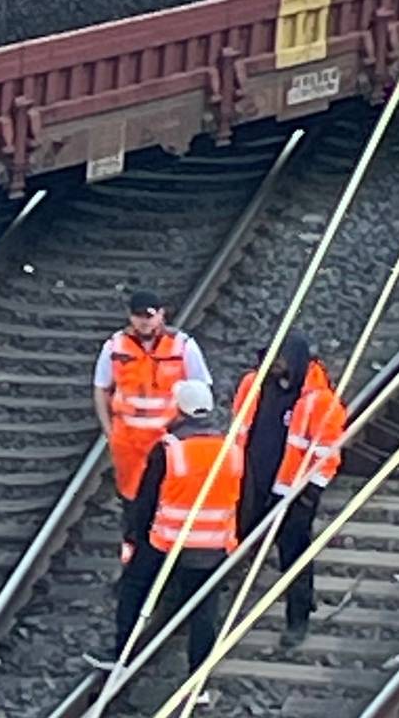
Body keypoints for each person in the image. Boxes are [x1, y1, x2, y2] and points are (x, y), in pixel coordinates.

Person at [85, 378, 242, 698]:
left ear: (180, 410)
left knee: (134, 587)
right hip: (213, 543)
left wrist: (135, 537)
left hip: (167, 542)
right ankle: (198, 681)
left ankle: (122, 655)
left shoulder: (170, 449)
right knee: (204, 610)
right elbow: (242, 496)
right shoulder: (231, 449)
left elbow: (146, 501)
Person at [231, 332, 346, 649]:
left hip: (294, 494)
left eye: (280, 359)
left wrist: (310, 493)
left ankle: (298, 617)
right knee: (236, 543)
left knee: (294, 556)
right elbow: (240, 429)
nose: (275, 365)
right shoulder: (254, 386)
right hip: (251, 484)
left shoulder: (319, 401)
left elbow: (328, 455)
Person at [93, 289, 213, 516]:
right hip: (128, 443)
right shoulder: (115, 346)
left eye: (148, 315)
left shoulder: (182, 345)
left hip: (168, 439)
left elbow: (200, 389)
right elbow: (101, 388)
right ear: (130, 316)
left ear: (161, 314)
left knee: (165, 499)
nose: (144, 321)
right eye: (138, 315)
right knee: (132, 502)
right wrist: (110, 432)